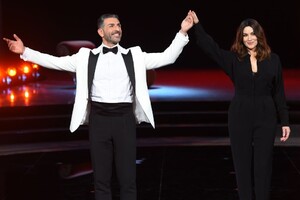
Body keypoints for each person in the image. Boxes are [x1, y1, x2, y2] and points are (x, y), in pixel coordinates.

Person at [3, 12, 194, 200]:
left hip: (124, 120)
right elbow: (55, 62)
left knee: (128, 179)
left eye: (118, 25)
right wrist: (25, 51)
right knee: (101, 180)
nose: (117, 29)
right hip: (99, 120)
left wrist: (182, 32)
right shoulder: (85, 57)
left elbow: (167, 57)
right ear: (101, 32)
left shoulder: (134, 55)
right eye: (111, 25)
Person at [189, 11, 291, 200]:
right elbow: (211, 48)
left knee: (263, 166)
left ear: (259, 35)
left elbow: (279, 92)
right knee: (242, 166)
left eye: (253, 34)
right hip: (239, 116)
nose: (249, 38)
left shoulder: (273, 60)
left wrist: (284, 120)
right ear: (240, 37)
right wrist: (197, 25)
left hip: (266, 116)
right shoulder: (234, 60)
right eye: (245, 34)